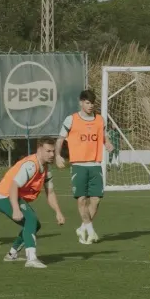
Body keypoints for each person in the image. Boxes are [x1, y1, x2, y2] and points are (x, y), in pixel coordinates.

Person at [0, 137, 65, 269]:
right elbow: (13, 186)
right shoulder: (31, 165)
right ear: (39, 149)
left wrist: (58, 212)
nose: (51, 155)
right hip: (5, 196)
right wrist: (16, 209)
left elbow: (50, 192)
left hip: (13, 196)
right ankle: (31, 259)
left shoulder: (46, 168)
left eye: (53, 151)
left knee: (34, 225)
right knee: (30, 220)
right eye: (48, 151)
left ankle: (12, 254)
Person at [55, 90, 113, 244]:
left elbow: (104, 135)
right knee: (81, 199)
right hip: (78, 165)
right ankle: (91, 231)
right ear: (81, 103)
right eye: (87, 102)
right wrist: (57, 155)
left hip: (95, 165)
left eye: (92, 103)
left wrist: (107, 142)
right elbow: (60, 139)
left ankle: (83, 228)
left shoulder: (100, 120)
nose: (90, 105)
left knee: (96, 200)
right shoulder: (71, 119)